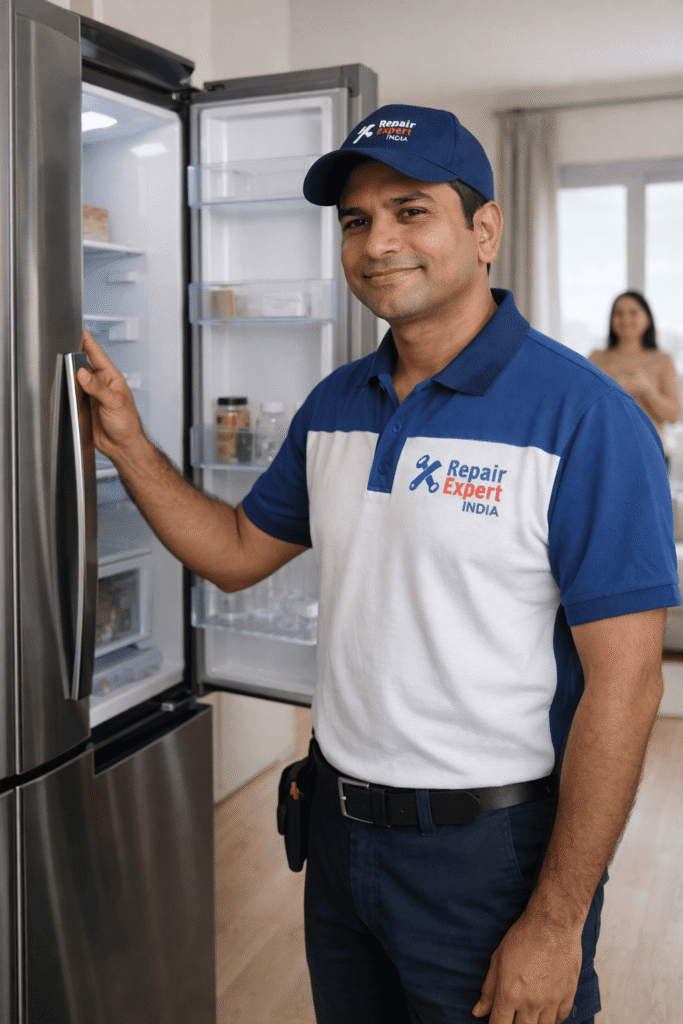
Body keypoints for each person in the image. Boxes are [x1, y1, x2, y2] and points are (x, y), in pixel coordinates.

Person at [77, 104, 680, 1024]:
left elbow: (628, 686)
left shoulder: (586, 419)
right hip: (339, 837)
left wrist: (555, 923)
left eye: (409, 211)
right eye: (356, 221)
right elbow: (237, 554)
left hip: (489, 853)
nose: (376, 242)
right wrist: (128, 445)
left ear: (483, 231)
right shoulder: (333, 405)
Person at [589, 291, 681, 449]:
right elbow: (582, 406)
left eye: (633, 312)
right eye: (618, 313)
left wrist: (648, 391)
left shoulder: (663, 360)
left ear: (647, 318)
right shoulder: (596, 358)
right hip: (606, 451)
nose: (625, 319)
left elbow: (674, 415)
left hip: (650, 452)